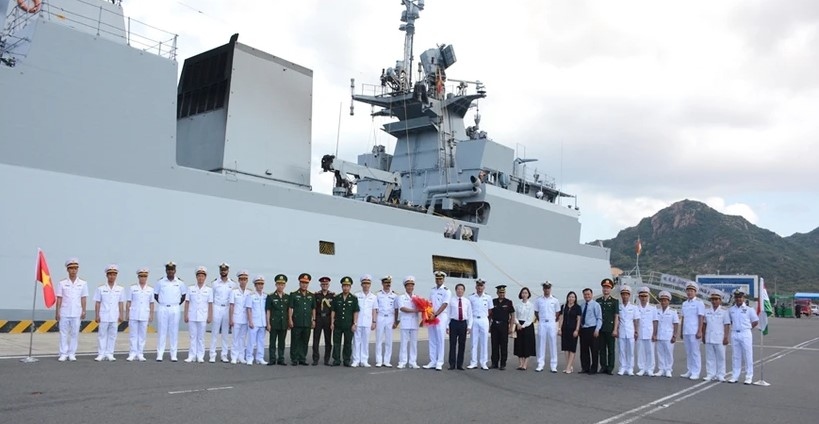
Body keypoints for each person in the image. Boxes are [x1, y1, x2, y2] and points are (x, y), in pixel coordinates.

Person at [55, 258, 88, 362]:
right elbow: (59, 298)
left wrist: (84, 310)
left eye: (75, 268)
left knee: (74, 333)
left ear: (77, 269)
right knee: (63, 333)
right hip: (64, 311)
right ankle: (63, 353)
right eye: (71, 268)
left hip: (76, 312)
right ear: (67, 270)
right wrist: (57, 311)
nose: (73, 270)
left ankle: (72, 353)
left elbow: (83, 298)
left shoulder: (82, 283)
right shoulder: (62, 283)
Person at [154, 261, 187, 362]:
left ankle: (173, 354)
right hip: (163, 307)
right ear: (166, 271)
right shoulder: (160, 282)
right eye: (168, 270)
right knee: (162, 331)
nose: (170, 271)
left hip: (175, 308)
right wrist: (163, 302)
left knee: (173, 332)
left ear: (175, 270)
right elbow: (156, 295)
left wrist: (175, 304)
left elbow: (183, 296)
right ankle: (160, 354)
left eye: (172, 270)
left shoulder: (180, 283)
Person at [93, 264, 124, 361]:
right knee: (102, 335)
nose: (112, 276)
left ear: (116, 276)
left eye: (114, 274)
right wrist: (97, 315)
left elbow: (121, 303)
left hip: (114, 315)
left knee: (112, 335)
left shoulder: (120, 289)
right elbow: (98, 303)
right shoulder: (101, 288)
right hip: (104, 315)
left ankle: (110, 353)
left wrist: (121, 315)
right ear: (106, 275)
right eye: (110, 274)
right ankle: (101, 353)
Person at [727, 290, 759, 384]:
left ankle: (749, 376)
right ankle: (735, 375)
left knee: (748, 355)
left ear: (743, 298)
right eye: (737, 297)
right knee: (736, 355)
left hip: (745, 333)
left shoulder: (749, 309)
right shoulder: (731, 309)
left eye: (740, 297)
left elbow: (755, 321)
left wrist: (748, 328)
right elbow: (730, 321)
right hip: (734, 333)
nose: (738, 299)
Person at [184, 266, 213, 363]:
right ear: (196, 277)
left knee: (201, 337)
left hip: (203, 316)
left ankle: (200, 356)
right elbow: (187, 302)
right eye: (199, 276)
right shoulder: (191, 288)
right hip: (192, 315)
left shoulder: (209, 290)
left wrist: (210, 316)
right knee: (192, 337)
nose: (200, 278)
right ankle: (191, 356)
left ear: (205, 277)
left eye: (202, 276)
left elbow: (210, 304)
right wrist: (185, 315)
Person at [125, 268, 154, 361]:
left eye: (145, 276)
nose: (143, 278)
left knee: (142, 335)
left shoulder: (150, 289)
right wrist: (127, 314)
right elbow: (129, 301)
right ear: (138, 277)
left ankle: (140, 353)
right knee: (133, 335)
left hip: (144, 314)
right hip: (134, 313)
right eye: (141, 276)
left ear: (147, 277)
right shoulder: (133, 288)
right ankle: (132, 353)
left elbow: (151, 303)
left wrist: (151, 315)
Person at [424, 271, 451, 371]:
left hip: (441, 316)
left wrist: (435, 314)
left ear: (443, 279)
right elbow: (430, 303)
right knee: (432, 339)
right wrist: (429, 314)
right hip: (432, 316)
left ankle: (439, 362)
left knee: (440, 339)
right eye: (437, 278)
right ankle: (432, 361)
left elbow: (445, 304)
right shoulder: (432, 290)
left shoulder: (446, 291)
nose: (438, 280)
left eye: (440, 279)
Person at [209, 262, 235, 363]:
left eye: (225, 270)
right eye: (222, 270)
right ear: (220, 271)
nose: (223, 271)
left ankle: (224, 355)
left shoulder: (232, 284)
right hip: (217, 307)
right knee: (214, 332)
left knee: (225, 333)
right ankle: (212, 354)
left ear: (228, 271)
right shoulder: (215, 283)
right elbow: (211, 299)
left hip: (227, 308)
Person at [331, 276, 359, 367]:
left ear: (350, 287)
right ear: (342, 286)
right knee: (336, 343)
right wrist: (332, 322)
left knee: (347, 343)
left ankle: (346, 360)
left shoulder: (353, 298)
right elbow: (333, 311)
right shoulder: (337, 297)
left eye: (347, 286)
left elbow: (355, 311)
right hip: (338, 324)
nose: (346, 288)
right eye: (344, 286)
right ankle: (336, 360)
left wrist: (355, 323)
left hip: (348, 324)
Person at [288, 272, 315, 366]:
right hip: (297, 322)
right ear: (299, 283)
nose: (304, 284)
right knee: (295, 340)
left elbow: (313, 309)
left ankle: (302, 358)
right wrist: (290, 320)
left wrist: (313, 320)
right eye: (302, 282)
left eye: (306, 283)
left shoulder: (311, 295)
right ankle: (294, 359)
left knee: (305, 341)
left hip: (307, 322)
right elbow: (290, 308)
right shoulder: (294, 294)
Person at [680, 282, 705, 380]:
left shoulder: (699, 303)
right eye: (688, 291)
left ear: (695, 292)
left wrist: (700, 330)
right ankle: (689, 370)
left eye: (691, 291)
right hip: (686, 330)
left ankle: (696, 371)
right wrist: (681, 331)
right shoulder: (684, 304)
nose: (689, 293)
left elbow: (701, 317)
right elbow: (683, 318)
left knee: (695, 352)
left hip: (694, 331)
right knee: (688, 352)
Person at [702, 292, 729, 382]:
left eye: (716, 299)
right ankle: (710, 373)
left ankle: (721, 374)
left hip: (719, 337)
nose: (714, 301)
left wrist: (726, 337)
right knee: (710, 357)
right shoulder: (707, 311)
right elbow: (704, 324)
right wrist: (703, 335)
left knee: (721, 357)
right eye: (712, 299)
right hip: (709, 336)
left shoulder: (724, 311)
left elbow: (726, 325)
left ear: (720, 301)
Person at [534, 281, 561, 373]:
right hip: (542, 323)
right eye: (545, 288)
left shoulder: (555, 300)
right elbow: (536, 312)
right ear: (543, 289)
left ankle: (553, 365)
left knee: (553, 343)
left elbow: (558, 312)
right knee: (541, 343)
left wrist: (553, 320)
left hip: (551, 323)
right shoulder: (539, 300)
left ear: (550, 289)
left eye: (548, 288)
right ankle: (540, 364)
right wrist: (541, 320)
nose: (547, 290)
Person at [352, 274, 377, 367]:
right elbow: (354, 310)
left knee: (365, 342)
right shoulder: (356, 295)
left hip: (367, 322)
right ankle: (356, 360)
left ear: (370, 285)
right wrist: (354, 322)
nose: (366, 285)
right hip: (358, 322)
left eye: (368, 283)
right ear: (361, 284)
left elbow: (374, 310)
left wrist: (374, 322)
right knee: (356, 341)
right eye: (364, 283)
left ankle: (364, 360)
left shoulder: (373, 297)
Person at [652, 290, 679, 377]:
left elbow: (675, 324)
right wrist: (655, 334)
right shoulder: (657, 311)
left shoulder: (673, 312)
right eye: (662, 300)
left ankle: (668, 369)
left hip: (668, 335)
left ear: (668, 301)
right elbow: (655, 323)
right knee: (660, 352)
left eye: (665, 300)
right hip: (660, 335)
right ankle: (661, 369)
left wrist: (675, 335)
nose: (663, 302)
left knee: (668, 353)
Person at [467, 279, 492, 370]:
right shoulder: (471, 297)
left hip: (484, 320)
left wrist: (488, 321)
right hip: (474, 319)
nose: (480, 288)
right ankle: (473, 362)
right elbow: (469, 311)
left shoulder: (488, 297)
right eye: (478, 286)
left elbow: (490, 310)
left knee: (484, 342)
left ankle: (483, 362)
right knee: (473, 342)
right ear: (476, 287)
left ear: (484, 287)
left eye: (481, 286)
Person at [396, 276, 420, 369]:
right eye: (408, 286)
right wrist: (414, 310)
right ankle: (402, 361)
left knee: (414, 343)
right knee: (404, 343)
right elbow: (402, 308)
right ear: (405, 287)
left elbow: (421, 307)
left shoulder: (417, 297)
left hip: (414, 322)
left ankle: (413, 362)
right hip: (405, 322)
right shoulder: (401, 297)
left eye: (411, 286)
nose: (410, 287)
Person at [265, 274, 290, 365]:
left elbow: (288, 310)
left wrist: (289, 321)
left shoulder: (287, 297)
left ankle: (281, 358)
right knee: (272, 342)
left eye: (282, 284)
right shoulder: (271, 296)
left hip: (283, 323)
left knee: (282, 342)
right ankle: (272, 358)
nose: (280, 286)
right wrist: (268, 323)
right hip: (274, 322)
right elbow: (268, 311)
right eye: (279, 284)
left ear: (285, 285)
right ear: (276, 285)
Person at [597, 278, 620, 375]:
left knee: (611, 349)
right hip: (601, 328)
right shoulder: (598, 301)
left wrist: (615, 329)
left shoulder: (615, 301)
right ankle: (603, 366)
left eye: (608, 288)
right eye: (604, 287)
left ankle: (610, 367)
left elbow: (616, 316)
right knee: (601, 349)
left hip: (610, 329)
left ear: (610, 289)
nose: (606, 289)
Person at [489, 284, 515, 370]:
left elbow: (512, 315)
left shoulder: (508, 302)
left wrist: (511, 327)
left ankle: (503, 363)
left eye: (503, 293)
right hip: (495, 325)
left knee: (504, 345)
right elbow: (489, 314)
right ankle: (494, 363)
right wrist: (489, 325)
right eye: (500, 293)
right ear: (497, 293)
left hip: (504, 325)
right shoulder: (493, 301)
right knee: (494, 344)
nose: (502, 294)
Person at [447, 283, 472, 370]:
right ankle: (452, 364)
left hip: (463, 324)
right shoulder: (451, 300)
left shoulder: (467, 301)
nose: (460, 291)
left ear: (464, 291)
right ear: (456, 290)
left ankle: (460, 364)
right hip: (453, 323)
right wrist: (447, 326)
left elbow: (470, 314)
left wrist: (469, 326)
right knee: (452, 344)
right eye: (458, 289)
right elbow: (448, 314)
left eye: (461, 289)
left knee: (462, 344)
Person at [375, 276, 398, 367]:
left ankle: (387, 360)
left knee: (389, 340)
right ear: (382, 284)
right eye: (386, 283)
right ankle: (379, 360)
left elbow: (396, 310)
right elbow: (375, 309)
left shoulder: (395, 295)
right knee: (379, 339)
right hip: (380, 317)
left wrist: (396, 322)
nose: (387, 285)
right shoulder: (378, 295)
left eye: (389, 283)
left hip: (390, 318)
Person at [245, 275, 268, 365]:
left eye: (261, 284)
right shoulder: (251, 295)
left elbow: (266, 310)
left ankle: (260, 357)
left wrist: (267, 322)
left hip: (262, 322)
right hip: (253, 322)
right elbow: (249, 309)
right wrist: (250, 321)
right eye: (258, 284)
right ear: (255, 285)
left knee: (261, 341)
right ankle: (249, 357)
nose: (260, 286)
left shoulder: (265, 296)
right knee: (251, 341)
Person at [229, 270, 251, 364]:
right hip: (236, 318)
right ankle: (234, 356)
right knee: (235, 338)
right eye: (241, 279)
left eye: (245, 279)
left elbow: (250, 307)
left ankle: (241, 356)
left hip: (245, 319)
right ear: (238, 280)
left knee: (243, 338)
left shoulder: (250, 292)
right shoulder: (234, 292)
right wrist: (230, 319)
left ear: (247, 281)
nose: (243, 281)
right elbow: (231, 306)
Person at [635, 287, 658, 376]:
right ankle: (642, 368)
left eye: (645, 296)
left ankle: (650, 369)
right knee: (640, 351)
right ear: (639, 297)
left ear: (648, 297)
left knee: (650, 351)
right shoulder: (636, 308)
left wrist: (655, 334)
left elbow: (655, 321)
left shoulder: (653, 308)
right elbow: (636, 321)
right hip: (640, 332)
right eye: (642, 296)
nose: (643, 298)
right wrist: (635, 332)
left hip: (649, 333)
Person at [578, 287, 602, 374]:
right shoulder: (582, 305)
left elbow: (599, 318)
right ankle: (585, 367)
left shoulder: (596, 305)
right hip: (584, 329)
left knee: (594, 350)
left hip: (592, 329)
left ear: (591, 295)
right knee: (584, 350)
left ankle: (594, 368)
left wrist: (597, 329)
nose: (587, 296)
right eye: (585, 294)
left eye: (588, 294)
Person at [617, 285, 639, 375]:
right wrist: (616, 330)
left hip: (630, 331)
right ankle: (622, 367)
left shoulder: (634, 308)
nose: (624, 296)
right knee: (621, 350)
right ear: (621, 296)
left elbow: (636, 320)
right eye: (623, 294)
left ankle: (630, 368)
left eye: (626, 294)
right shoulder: (619, 307)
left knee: (630, 351)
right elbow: (617, 320)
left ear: (629, 295)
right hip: (621, 331)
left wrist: (636, 331)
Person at [312, 276, 335, 366]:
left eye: (326, 284)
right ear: (320, 285)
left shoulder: (332, 296)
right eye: (323, 284)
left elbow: (333, 309)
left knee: (328, 340)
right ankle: (315, 359)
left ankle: (327, 359)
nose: (324, 285)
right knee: (316, 340)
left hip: (328, 319)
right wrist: (313, 319)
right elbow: (313, 308)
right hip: (318, 318)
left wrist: (333, 321)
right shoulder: (316, 295)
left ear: (328, 285)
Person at [558, 291, 581, 373]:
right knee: (566, 348)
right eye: (570, 297)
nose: (571, 298)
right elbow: (561, 318)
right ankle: (569, 365)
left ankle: (568, 367)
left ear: (575, 299)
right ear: (567, 298)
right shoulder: (563, 307)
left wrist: (577, 330)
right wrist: (559, 328)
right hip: (565, 329)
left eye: (573, 297)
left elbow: (578, 319)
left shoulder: (577, 307)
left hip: (573, 330)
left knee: (572, 349)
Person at [513, 287, 535, 371]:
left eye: (526, 293)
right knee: (519, 344)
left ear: (528, 294)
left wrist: (523, 326)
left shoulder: (531, 305)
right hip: (518, 325)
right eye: (523, 293)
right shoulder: (517, 305)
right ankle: (520, 363)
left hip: (527, 326)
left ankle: (525, 364)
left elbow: (530, 318)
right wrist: (518, 323)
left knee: (527, 345)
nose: (524, 294)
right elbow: (515, 316)